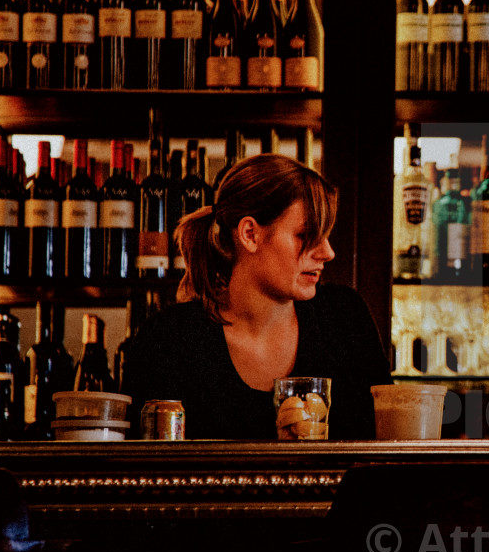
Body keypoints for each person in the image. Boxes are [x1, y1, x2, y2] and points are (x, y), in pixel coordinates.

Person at [123, 153, 391, 439]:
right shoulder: (169, 340)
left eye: (326, 236)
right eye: (306, 235)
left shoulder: (344, 318)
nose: (327, 252)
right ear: (250, 234)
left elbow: (386, 446)